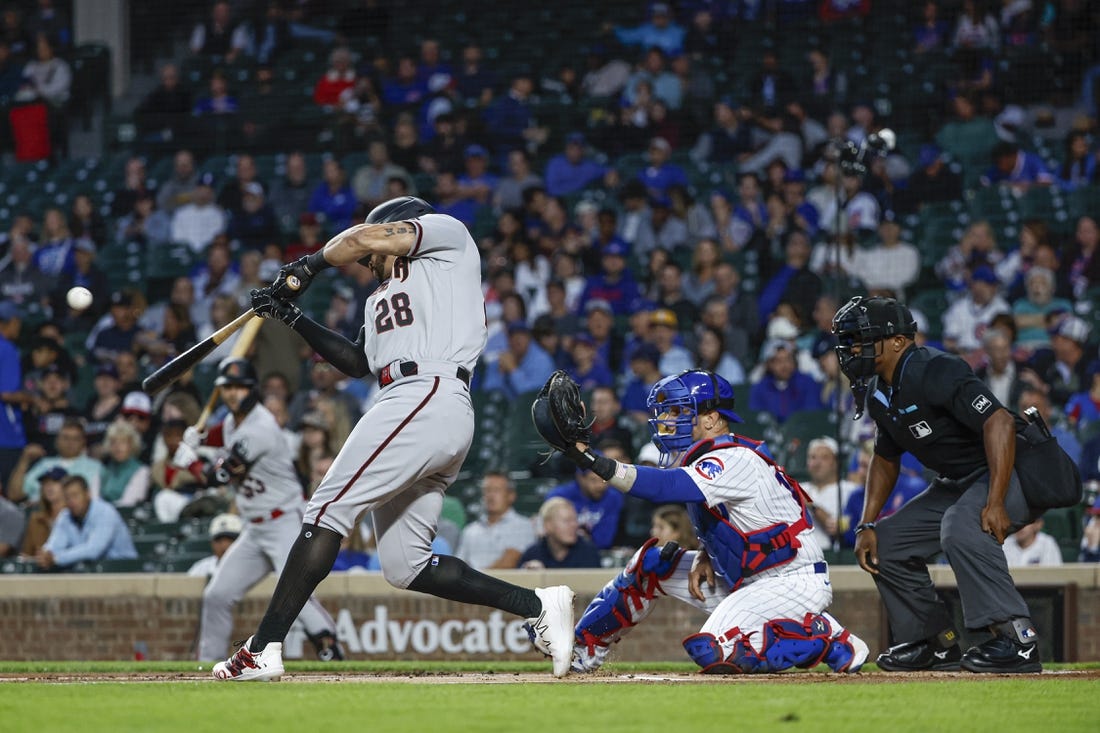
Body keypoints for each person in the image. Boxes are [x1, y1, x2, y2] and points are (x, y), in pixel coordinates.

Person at [215, 195, 576, 680]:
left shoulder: (446, 236)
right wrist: (292, 316)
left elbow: (362, 240)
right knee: (405, 565)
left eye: (374, 252)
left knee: (326, 510)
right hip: (413, 401)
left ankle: (264, 647)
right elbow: (359, 362)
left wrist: (308, 266)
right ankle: (535, 604)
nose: (368, 262)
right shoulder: (382, 295)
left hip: (425, 393)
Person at [560, 369, 867, 675]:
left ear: (710, 418)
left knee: (715, 650)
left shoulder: (733, 458)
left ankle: (825, 635)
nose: (667, 419)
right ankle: (584, 650)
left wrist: (590, 459)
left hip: (790, 580)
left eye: (679, 410)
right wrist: (707, 553)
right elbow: (739, 522)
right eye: (667, 410)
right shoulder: (709, 456)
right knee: (652, 565)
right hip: (748, 576)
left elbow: (663, 488)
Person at [832, 295, 1079, 674]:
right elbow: (885, 458)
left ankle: (1018, 641)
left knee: (963, 526)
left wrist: (996, 500)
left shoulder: (934, 368)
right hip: (959, 481)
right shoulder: (878, 389)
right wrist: (866, 523)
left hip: (1014, 469)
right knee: (887, 542)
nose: (854, 348)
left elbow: (997, 422)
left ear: (898, 340)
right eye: (851, 340)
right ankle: (935, 642)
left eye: (863, 338)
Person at [169, 357, 341, 663]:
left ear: (252, 390)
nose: (233, 394)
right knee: (217, 595)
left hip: (284, 520)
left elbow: (220, 476)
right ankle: (207, 663)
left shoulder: (260, 427)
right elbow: (223, 433)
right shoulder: (238, 422)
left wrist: (191, 461)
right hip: (255, 527)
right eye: (227, 388)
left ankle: (330, 648)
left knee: (296, 595)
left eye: (240, 387)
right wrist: (202, 437)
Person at [34, 475, 136, 570]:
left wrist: (56, 558)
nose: (71, 501)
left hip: (126, 570)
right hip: (94, 573)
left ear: (87, 494)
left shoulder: (105, 512)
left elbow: (93, 550)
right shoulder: (65, 516)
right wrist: (45, 555)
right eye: (67, 497)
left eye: (75, 495)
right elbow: (54, 545)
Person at [455, 471, 536, 570]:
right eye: (487, 490)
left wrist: (475, 580)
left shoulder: (523, 526)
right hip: (471, 583)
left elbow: (509, 563)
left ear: (511, 495)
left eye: (497, 490)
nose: (491, 496)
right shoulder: (470, 530)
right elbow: (459, 565)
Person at [519, 497, 601, 569]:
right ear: (548, 525)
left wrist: (545, 576)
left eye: (575, 520)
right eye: (567, 521)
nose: (574, 525)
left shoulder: (588, 552)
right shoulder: (533, 554)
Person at [188, 513, 244, 578]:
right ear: (212, 543)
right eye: (219, 540)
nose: (224, 545)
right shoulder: (200, 569)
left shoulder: (251, 567)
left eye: (230, 540)